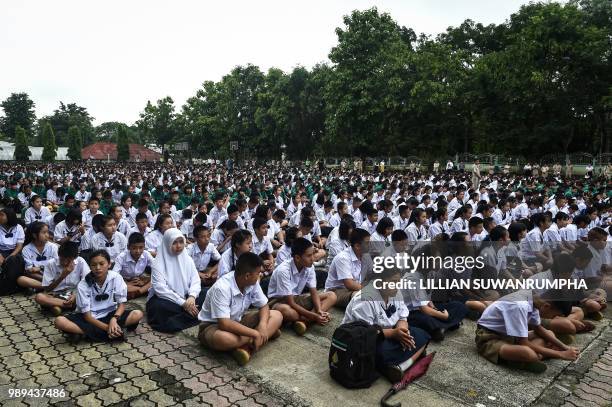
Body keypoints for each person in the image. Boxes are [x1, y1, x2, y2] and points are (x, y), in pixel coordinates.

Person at [342, 268, 431, 382]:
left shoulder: (395, 292)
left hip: (389, 334)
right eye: (393, 282)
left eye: (398, 282)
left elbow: (402, 316)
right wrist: (394, 334)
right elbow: (364, 333)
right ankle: (401, 366)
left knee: (423, 335)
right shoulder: (365, 298)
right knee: (381, 352)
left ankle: (397, 365)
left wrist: (402, 332)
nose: (397, 286)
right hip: (362, 341)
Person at [197, 252, 283, 365]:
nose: (260, 275)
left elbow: (264, 305)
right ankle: (262, 337)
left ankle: (246, 346)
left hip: (238, 321)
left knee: (277, 315)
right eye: (258, 273)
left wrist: (262, 325)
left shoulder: (252, 282)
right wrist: (256, 333)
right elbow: (224, 324)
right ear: (247, 275)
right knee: (223, 338)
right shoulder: (222, 288)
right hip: (214, 327)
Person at [476, 289, 579, 372]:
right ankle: (524, 359)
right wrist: (561, 355)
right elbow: (524, 343)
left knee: (550, 333)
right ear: (547, 306)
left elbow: (538, 329)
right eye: (555, 315)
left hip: (509, 336)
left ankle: (534, 356)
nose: (553, 318)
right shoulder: (520, 305)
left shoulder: (536, 302)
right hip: (489, 337)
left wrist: (565, 347)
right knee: (528, 353)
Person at [54, 250, 143, 342]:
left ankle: (84, 333)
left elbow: (122, 304)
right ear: (90, 266)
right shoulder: (83, 285)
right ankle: (114, 331)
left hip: (111, 313)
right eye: (93, 265)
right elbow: (87, 316)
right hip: (90, 318)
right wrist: (107, 328)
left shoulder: (116, 277)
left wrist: (114, 319)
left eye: (101, 264)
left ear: (109, 264)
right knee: (59, 321)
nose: (98, 268)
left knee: (138, 314)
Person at [268, 238, 337, 335]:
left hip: (297, 298)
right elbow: (290, 302)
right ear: (297, 258)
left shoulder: (309, 267)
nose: (313, 258)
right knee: (287, 311)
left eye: (313, 254)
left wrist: (319, 310)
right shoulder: (283, 271)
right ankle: (307, 320)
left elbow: (314, 292)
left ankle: (303, 321)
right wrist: (313, 316)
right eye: (309, 256)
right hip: (280, 301)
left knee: (331, 296)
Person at [146, 228, 204, 333]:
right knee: (158, 307)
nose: (179, 246)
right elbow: (160, 289)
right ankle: (196, 314)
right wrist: (183, 303)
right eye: (174, 243)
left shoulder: (187, 259)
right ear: (167, 243)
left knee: (208, 293)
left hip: (188, 297)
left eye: (181, 242)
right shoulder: (157, 263)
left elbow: (195, 280)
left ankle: (182, 317)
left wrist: (192, 297)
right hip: (168, 299)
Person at [34, 242, 90, 316]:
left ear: (75, 258)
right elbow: (47, 289)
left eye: (69, 260)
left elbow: (88, 282)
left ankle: (57, 306)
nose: (65, 262)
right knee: (39, 297)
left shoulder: (80, 261)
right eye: (62, 259)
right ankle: (69, 306)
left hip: (74, 293)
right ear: (58, 255)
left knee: (88, 295)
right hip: (55, 294)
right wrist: (62, 276)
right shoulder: (51, 264)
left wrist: (76, 295)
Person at [325, 228, 370, 308]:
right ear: (357, 246)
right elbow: (349, 284)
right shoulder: (343, 258)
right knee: (362, 296)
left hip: (355, 287)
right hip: (337, 291)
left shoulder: (363, 255)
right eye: (367, 243)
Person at [16, 221, 58, 291]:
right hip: (38, 277)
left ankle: (39, 287)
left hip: (53, 275)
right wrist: (45, 279)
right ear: (34, 235)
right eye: (44, 233)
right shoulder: (26, 249)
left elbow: (57, 264)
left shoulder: (53, 247)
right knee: (21, 279)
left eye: (47, 232)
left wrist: (40, 267)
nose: (47, 235)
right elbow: (29, 270)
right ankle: (49, 286)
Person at [112, 232, 154, 299]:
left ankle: (138, 292)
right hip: (125, 281)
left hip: (140, 280)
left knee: (155, 281)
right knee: (116, 287)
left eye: (141, 248)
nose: (138, 251)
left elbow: (157, 269)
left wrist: (144, 281)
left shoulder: (146, 254)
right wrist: (126, 284)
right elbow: (114, 276)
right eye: (134, 248)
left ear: (144, 247)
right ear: (128, 247)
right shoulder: (121, 257)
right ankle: (144, 291)